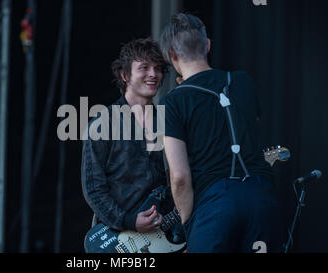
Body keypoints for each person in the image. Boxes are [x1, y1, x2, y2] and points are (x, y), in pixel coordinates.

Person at [159, 13, 285, 253]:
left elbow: (180, 177)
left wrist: (188, 225)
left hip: (214, 207)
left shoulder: (171, 102)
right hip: (261, 199)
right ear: (207, 45)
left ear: (172, 55)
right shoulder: (243, 82)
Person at [81, 38, 171, 237]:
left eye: (157, 68)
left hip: (163, 235)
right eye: (144, 67)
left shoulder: (168, 122)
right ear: (124, 75)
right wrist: (129, 221)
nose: (153, 74)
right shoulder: (103, 124)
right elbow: (94, 189)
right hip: (120, 239)